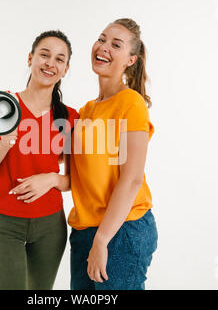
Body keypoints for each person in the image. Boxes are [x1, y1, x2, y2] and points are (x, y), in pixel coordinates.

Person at [0, 30, 79, 290]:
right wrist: (7, 140)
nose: (50, 63)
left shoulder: (68, 117)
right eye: (44, 55)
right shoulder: (1, 105)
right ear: (30, 58)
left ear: (65, 69)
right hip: (3, 223)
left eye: (59, 59)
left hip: (50, 226)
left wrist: (51, 178)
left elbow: (76, 179)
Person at [68, 18, 158, 290]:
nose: (103, 47)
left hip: (121, 230)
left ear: (131, 60)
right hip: (85, 230)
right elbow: (76, 174)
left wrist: (102, 239)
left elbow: (131, 179)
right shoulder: (86, 110)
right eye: (102, 38)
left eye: (115, 45)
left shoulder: (131, 103)